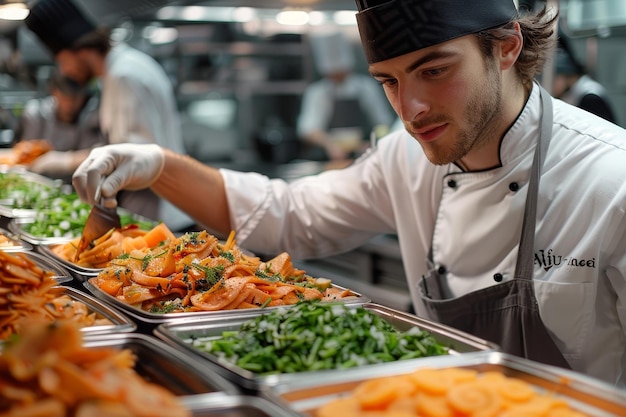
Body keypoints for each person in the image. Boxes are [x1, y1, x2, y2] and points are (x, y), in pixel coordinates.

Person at [72, 0, 626, 386]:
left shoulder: (610, 181)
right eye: (388, 81)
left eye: (433, 70)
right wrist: (158, 166)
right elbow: (288, 215)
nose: (410, 111)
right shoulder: (404, 158)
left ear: (506, 47)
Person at [24, 0, 195, 232]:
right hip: (158, 210)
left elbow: (135, 155)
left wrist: (65, 160)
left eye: (62, 60)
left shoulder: (124, 76)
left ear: (80, 48)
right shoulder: (124, 68)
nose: (64, 71)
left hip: (162, 216)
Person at [296, 30, 394, 161]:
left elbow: (383, 123)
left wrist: (373, 142)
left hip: (365, 155)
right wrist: (330, 145)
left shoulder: (366, 87)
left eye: (340, 71)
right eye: (331, 72)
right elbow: (308, 130)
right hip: (329, 158)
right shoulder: (317, 92)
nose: (336, 76)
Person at [15, 69, 104, 182]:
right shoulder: (37, 114)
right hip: (36, 181)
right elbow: (21, 154)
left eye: (75, 97)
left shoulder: (91, 116)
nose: (70, 103)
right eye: (65, 96)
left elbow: (103, 154)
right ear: (54, 91)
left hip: (77, 184)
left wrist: (67, 160)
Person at [552, 37, 617, 124]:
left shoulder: (590, 98)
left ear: (566, 74)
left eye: (554, 79)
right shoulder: (574, 94)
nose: (551, 85)